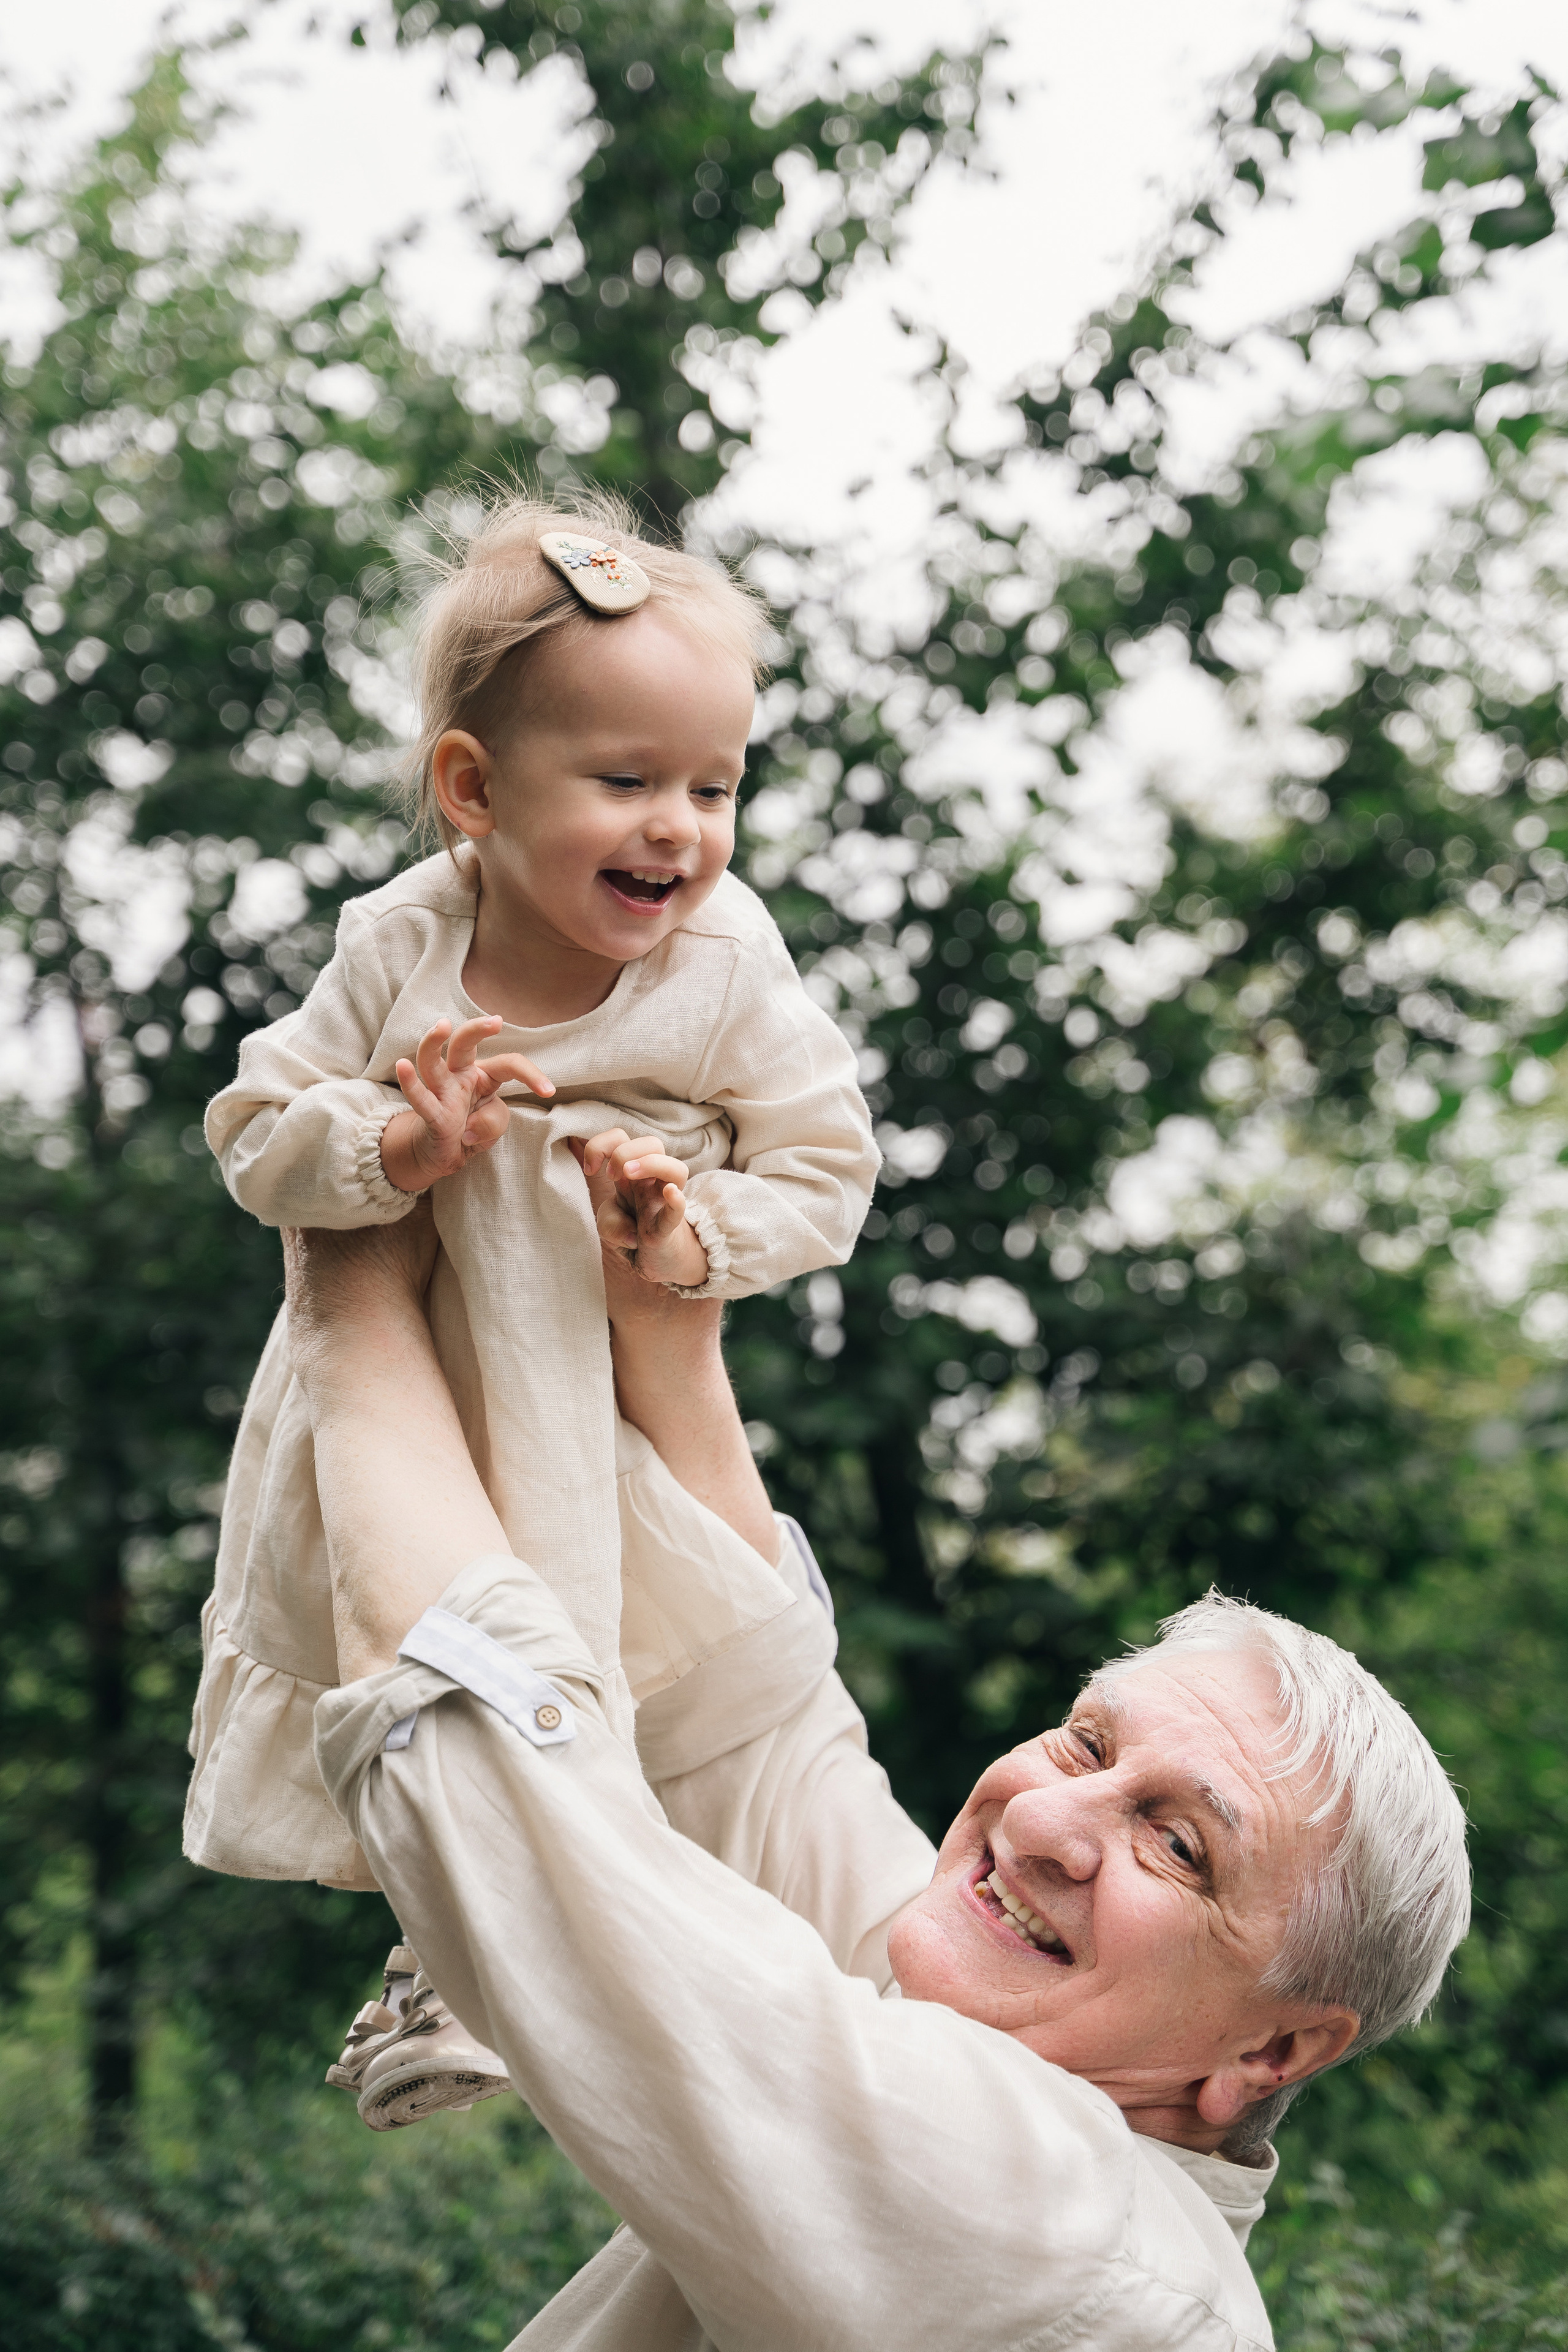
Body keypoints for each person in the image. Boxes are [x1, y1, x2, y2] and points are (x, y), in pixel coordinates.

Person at [288, 1196, 1471, 2351]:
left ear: (1271, 2054)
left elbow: (509, 1797)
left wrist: (346, 1284)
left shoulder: (1068, 2246)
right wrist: (670, 1344)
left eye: (1179, 1847)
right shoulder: (1019, 2045)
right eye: (1088, 1743)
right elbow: (762, 1740)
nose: (1051, 1817)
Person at [184, 491, 880, 2124]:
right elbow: (252, 1137)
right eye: (628, 781)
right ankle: (442, 1949)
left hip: (593, 1381)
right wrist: (384, 1142)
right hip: (414, 1379)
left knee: (605, 1669)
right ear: (474, 790)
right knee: (420, 1644)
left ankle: (598, 1973)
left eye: (716, 786)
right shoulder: (397, 947)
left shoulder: (725, 963)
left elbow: (826, 1170)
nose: (682, 831)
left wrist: (687, 1223)